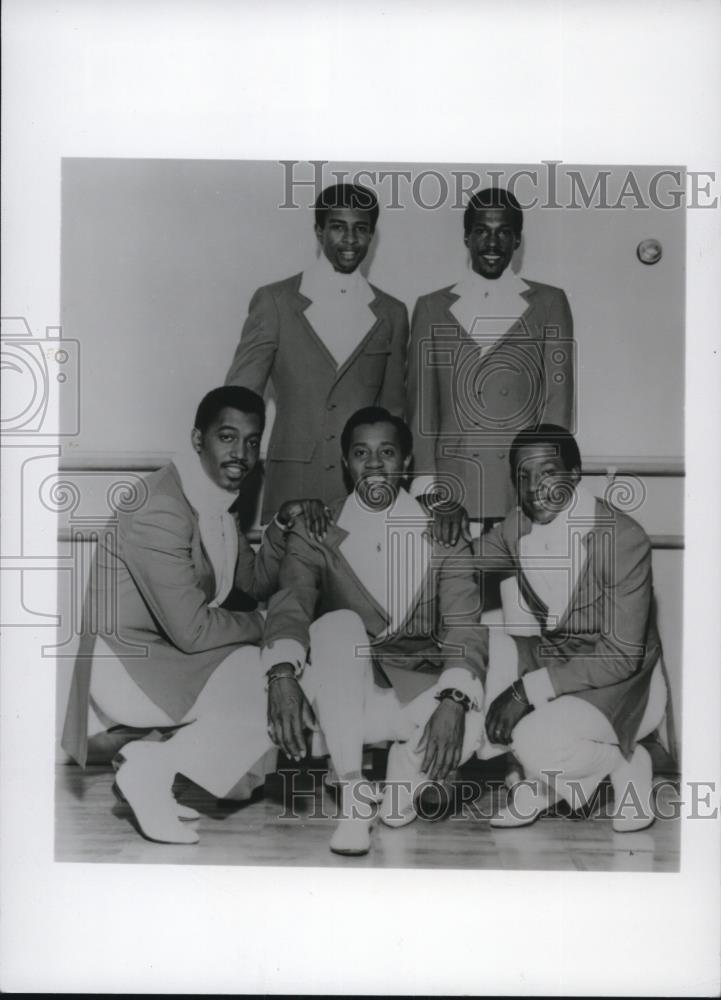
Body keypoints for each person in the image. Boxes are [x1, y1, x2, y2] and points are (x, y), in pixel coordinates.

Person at [214, 406, 487, 857]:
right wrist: (281, 673)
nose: (375, 463)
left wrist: (454, 699)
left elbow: (463, 624)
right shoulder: (316, 527)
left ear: (406, 462)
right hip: (342, 692)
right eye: (362, 452)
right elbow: (290, 605)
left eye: (387, 452)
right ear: (346, 463)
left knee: (470, 724)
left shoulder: (444, 528)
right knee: (338, 625)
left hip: (412, 684)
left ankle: (403, 774)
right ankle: (353, 794)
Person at [61, 386, 326, 845]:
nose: (241, 453)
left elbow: (252, 582)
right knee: (265, 678)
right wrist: (269, 628)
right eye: (227, 437)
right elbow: (193, 629)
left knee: (271, 674)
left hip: (169, 656)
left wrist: (281, 526)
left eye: (251, 440)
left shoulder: (214, 498)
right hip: (129, 663)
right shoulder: (161, 507)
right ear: (198, 439)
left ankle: (153, 771)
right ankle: (150, 770)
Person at [478, 424, 667, 832]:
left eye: (547, 473)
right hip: (560, 665)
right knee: (482, 650)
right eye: (523, 476)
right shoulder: (518, 525)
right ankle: (544, 781)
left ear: (575, 474)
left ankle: (626, 760)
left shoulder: (622, 538)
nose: (533, 488)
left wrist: (525, 690)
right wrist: (439, 515)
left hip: (624, 682)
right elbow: (458, 560)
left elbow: (620, 656)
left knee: (530, 739)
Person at [225, 182, 408, 524]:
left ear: (372, 236)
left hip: (362, 490)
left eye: (361, 229)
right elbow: (239, 399)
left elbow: (393, 412)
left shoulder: (392, 313)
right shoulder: (276, 301)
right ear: (319, 230)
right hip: (291, 486)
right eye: (338, 227)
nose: (350, 240)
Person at [407, 187, 575, 539]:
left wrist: (546, 483)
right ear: (467, 237)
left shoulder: (549, 302)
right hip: (453, 492)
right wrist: (427, 488)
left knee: (519, 592)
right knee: (453, 591)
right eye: (482, 230)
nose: (492, 242)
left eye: (504, 232)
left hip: (521, 489)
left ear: (517, 241)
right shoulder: (431, 306)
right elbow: (422, 406)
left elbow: (556, 405)